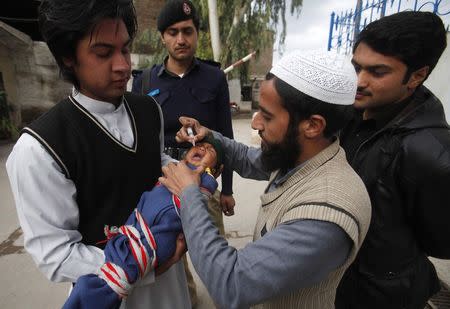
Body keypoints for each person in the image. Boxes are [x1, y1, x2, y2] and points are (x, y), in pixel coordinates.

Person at [6, 0, 191, 308]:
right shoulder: (40, 149)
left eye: (125, 49)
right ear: (68, 58)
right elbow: (55, 254)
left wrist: (189, 174)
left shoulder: (149, 110)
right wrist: (142, 262)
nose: (123, 65)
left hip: (172, 289)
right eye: (104, 53)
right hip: (107, 295)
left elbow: (153, 163)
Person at [158, 49, 372, 309]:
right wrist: (210, 138)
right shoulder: (300, 156)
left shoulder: (326, 213)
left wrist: (189, 193)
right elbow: (250, 159)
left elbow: (232, 284)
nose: (255, 123)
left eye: (267, 116)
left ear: (313, 125)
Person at [335, 11, 450, 309]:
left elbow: (440, 241)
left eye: (377, 72)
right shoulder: (348, 112)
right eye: (356, 67)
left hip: (384, 296)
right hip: (335, 280)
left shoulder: (431, 153)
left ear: (417, 76)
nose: (359, 81)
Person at [131, 0, 235, 304]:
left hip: (205, 179)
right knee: (173, 252)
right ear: (163, 36)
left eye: (187, 31)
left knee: (213, 250)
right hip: (165, 181)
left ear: (197, 34)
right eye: (173, 32)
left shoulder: (214, 78)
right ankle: (187, 300)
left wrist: (225, 190)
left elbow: (226, 135)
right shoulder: (144, 81)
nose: (181, 39)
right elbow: (140, 139)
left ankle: (224, 298)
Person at [63, 138, 223, 309]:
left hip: (161, 231)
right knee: (121, 253)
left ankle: (101, 290)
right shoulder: (176, 167)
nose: (203, 148)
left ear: (215, 168)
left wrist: (198, 178)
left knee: (128, 262)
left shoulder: (205, 182)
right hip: (141, 219)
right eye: (201, 145)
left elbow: (195, 203)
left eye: (210, 150)